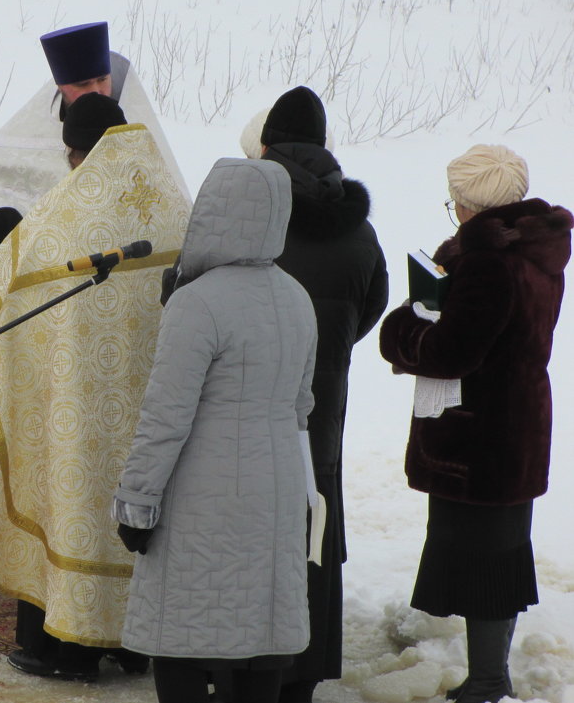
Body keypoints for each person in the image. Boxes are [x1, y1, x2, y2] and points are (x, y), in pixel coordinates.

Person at [0, 21, 188, 502]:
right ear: (60, 86)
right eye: (83, 84)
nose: (96, 91)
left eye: (102, 81)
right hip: (31, 331)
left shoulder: (138, 134)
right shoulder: (24, 142)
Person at [0, 95, 192, 682]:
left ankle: (68, 650)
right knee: (146, 509)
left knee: (77, 503)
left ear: (73, 152)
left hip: (82, 408)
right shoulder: (176, 205)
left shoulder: (60, 218)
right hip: (156, 408)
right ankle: (137, 644)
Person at [113, 157, 318, 703]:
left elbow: (166, 414)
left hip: (205, 490)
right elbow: (302, 407)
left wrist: (137, 500)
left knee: (181, 633)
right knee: (261, 635)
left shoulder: (197, 302)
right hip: (276, 485)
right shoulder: (298, 298)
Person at [379, 145, 571, 703]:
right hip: (518, 422)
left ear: (469, 205)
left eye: (455, 202)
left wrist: (403, 329)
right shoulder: (536, 249)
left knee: (485, 558)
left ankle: (488, 679)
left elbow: (452, 350)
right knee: (500, 550)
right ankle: (489, 673)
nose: (454, 212)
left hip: (480, 433)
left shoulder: (488, 263)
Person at [245, 86, 388, 702]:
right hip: (323, 403)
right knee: (314, 519)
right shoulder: (358, 233)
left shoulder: (247, 217)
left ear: (267, 144)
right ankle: (305, 671)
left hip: (245, 400)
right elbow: (372, 307)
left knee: (246, 526)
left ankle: (247, 665)